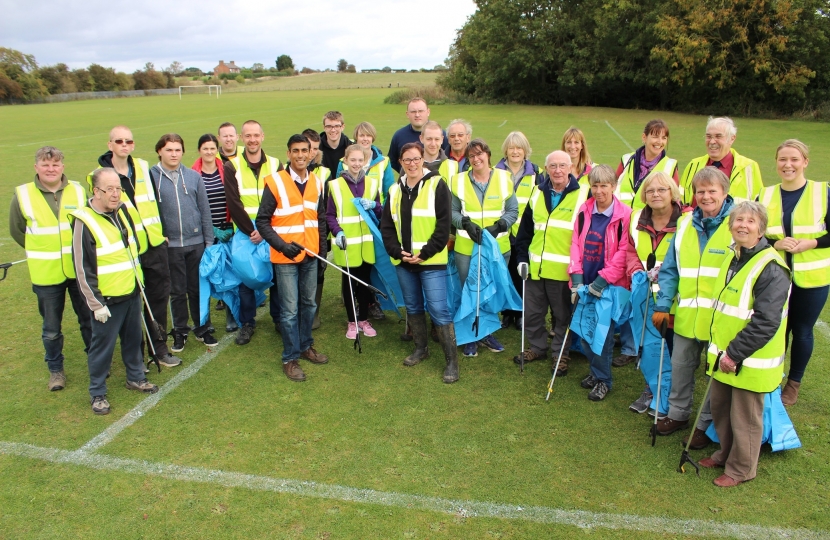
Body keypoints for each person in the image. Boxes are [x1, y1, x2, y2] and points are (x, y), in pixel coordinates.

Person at [701, 201, 790, 487]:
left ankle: (741, 469)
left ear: (761, 228)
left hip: (748, 360)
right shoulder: (734, 256)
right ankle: (725, 453)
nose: (743, 225)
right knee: (722, 409)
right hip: (725, 355)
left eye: (750, 221)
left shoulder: (772, 267)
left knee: (745, 418)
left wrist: (734, 354)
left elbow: (766, 321)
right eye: (738, 219)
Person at [652, 168, 736, 449]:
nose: (706, 196)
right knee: (681, 368)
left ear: (724, 193)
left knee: (715, 374)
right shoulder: (685, 223)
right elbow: (670, 269)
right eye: (701, 191)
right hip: (687, 315)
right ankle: (678, 415)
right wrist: (663, 304)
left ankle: (706, 424)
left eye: (712, 191)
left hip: (720, 319)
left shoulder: (737, 223)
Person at [87, 126, 180, 368]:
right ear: (110, 145)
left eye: (128, 141)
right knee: (131, 307)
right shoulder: (98, 176)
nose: (124, 145)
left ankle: (159, 348)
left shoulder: (141, 166)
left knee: (158, 299)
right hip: (126, 251)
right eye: (119, 141)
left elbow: (153, 201)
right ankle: (136, 355)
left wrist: (163, 233)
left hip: (154, 244)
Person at [72, 168, 158, 415]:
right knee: (102, 347)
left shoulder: (122, 211)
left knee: (133, 340)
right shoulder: (84, 221)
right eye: (109, 189)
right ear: (95, 191)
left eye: (118, 188)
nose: (115, 194)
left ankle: (136, 377)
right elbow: (82, 268)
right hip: (107, 299)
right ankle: (97, 392)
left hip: (131, 290)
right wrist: (96, 304)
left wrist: (138, 284)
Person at [9, 146, 92, 391]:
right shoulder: (22, 195)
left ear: (62, 167)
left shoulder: (77, 191)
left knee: (88, 319)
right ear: (36, 168)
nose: (51, 169)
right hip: (46, 275)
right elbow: (17, 231)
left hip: (78, 270)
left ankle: (96, 361)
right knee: (51, 329)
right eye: (45, 165)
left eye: (55, 164)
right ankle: (56, 370)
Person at [758, 139, 830, 405]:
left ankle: (793, 384)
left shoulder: (824, 192)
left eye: (794, 159)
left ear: (805, 162)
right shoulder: (764, 195)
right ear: (776, 163)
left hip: (812, 279)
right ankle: (772, 376)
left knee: (801, 330)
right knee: (775, 329)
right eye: (782, 160)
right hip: (775, 278)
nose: (788, 165)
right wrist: (776, 243)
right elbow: (751, 232)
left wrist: (812, 242)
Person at [380, 142, 458, 383]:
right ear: (401, 163)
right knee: (413, 307)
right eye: (407, 160)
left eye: (416, 159)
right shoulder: (394, 189)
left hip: (431, 260)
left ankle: (452, 362)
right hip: (404, 262)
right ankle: (420, 348)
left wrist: (424, 253)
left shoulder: (437, 184)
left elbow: (444, 226)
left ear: (422, 159)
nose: (412, 164)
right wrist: (397, 251)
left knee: (438, 309)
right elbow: (387, 227)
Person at [255, 134, 329, 382]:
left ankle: (306, 345)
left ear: (311, 153)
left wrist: (322, 252)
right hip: (285, 257)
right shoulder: (275, 182)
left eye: (304, 151)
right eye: (295, 151)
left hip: (310, 255)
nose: (300, 155)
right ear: (288, 154)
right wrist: (282, 246)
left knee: (309, 304)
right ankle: (290, 357)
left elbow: (320, 219)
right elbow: (262, 221)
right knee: (289, 311)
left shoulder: (318, 182)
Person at [513, 150, 590, 373]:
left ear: (571, 168)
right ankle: (537, 347)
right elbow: (525, 234)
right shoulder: (537, 193)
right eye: (553, 166)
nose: (557, 170)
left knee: (562, 316)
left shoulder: (583, 195)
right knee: (533, 314)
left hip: (563, 271)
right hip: (535, 270)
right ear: (546, 169)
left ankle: (560, 355)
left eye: (562, 166)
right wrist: (521, 259)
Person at [623, 171, 687, 412]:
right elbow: (629, 250)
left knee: (673, 347)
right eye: (651, 191)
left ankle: (673, 395)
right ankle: (653, 388)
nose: (656, 194)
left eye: (662, 190)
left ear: (672, 193)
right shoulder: (637, 217)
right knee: (651, 345)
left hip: (678, 297)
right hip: (646, 294)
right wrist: (636, 271)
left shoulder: (686, 220)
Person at [568, 165, 633, 401]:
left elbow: (624, 252)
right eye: (594, 185)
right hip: (584, 283)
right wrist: (576, 279)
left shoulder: (625, 215)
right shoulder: (584, 212)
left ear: (614, 186)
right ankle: (596, 373)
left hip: (609, 286)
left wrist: (602, 280)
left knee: (603, 337)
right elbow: (575, 244)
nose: (599, 191)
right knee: (585, 333)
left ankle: (604, 380)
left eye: (604, 185)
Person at [451, 138, 519, 357]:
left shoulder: (504, 178)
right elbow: (451, 212)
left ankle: (486, 332)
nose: (476, 158)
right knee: (469, 290)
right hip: (466, 248)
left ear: (488, 155)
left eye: (480, 154)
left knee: (489, 291)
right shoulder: (458, 181)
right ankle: (472, 335)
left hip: (497, 247)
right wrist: (465, 223)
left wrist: (499, 226)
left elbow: (513, 211)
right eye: (471, 156)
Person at [150, 134, 216, 352]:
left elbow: (205, 211)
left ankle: (202, 327)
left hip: (196, 243)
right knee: (177, 292)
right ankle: (180, 330)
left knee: (197, 289)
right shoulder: (151, 177)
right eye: (169, 150)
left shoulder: (193, 176)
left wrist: (208, 241)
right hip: (170, 246)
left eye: (178, 150)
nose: (174, 154)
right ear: (160, 151)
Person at [223, 119, 283, 345]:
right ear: (241, 138)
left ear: (262, 136)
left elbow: (281, 199)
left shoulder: (276, 164)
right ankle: (247, 323)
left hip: (271, 229)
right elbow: (233, 202)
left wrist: (266, 230)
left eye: (256, 135)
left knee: (277, 276)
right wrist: (252, 231)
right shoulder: (232, 166)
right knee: (245, 278)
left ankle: (278, 318)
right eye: (247, 136)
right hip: (246, 233)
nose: (252, 140)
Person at [328, 144, 383, 338]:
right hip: (347, 245)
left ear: (365, 161)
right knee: (349, 284)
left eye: (360, 160)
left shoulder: (372, 184)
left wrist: (375, 204)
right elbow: (330, 215)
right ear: (345, 161)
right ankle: (352, 322)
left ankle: (364, 319)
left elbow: (380, 211)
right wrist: (338, 232)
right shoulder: (334, 185)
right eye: (353, 160)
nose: (357, 164)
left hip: (367, 245)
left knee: (365, 283)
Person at [495, 131, 542, 329]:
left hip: (525, 234)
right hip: (501, 232)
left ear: (525, 151)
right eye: (511, 147)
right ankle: (506, 312)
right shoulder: (495, 171)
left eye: (519, 147)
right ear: (506, 150)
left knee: (522, 273)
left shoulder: (536, 173)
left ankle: (521, 312)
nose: (515, 151)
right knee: (504, 274)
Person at [193, 134, 237, 331]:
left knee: (228, 275)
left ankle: (231, 316)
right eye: (205, 149)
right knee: (206, 276)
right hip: (205, 233)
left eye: (212, 148)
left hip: (227, 230)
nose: (209, 152)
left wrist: (229, 225)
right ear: (199, 151)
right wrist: (209, 230)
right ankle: (205, 320)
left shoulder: (227, 169)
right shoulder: (193, 173)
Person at [679, 117, 762, 206]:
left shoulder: (749, 167)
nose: (712, 141)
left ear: (732, 139)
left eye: (718, 136)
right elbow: (680, 201)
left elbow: (759, 205)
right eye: (708, 136)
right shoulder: (693, 165)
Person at [303, 128, 332, 330]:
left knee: (318, 271)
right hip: (295, 233)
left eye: (315, 148)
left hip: (319, 233)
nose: (311, 153)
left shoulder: (325, 172)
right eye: (308, 148)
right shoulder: (285, 171)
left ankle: (314, 314)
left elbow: (329, 206)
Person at [614, 119, 679, 210]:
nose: (660, 142)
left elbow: (675, 200)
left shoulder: (670, 166)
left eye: (664, 138)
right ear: (644, 137)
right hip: (621, 218)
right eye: (655, 137)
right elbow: (611, 188)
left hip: (648, 222)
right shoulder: (626, 159)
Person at [387, 98, 450, 173]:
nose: (417, 115)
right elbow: (393, 161)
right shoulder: (399, 136)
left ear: (428, 112)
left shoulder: (442, 135)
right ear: (407, 114)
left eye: (420, 111)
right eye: (413, 112)